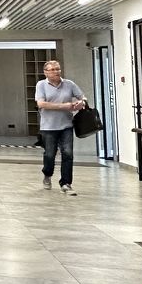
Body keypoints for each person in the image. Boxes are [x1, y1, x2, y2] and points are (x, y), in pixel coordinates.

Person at [35, 59, 86, 195]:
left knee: (68, 154)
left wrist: (81, 103)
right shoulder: (41, 85)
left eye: (58, 69)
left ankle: (66, 183)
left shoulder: (69, 84)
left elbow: (82, 97)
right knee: (50, 154)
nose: (56, 72)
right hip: (48, 126)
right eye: (52, 70)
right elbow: (41, 104)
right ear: (46, 72)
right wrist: (64, 106)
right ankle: (47, 174)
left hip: (66, 125)